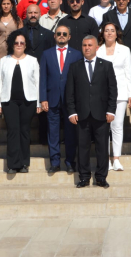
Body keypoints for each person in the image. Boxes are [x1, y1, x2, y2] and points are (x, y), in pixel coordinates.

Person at [65, 35, 118, 188]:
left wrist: (111, 110)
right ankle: (84, 177)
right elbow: (70, 92)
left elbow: (112, 90)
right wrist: (72, 112)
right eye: (84, 45)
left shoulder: (106, 65)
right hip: (81, 115)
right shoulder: (74, 67)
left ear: (96, 47)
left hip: (101, 114)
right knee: (82, 148)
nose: (87, 48)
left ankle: (101, 177)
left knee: (102, 147)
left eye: (90, 45)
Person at [0, 32, 41, 173]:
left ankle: (24, 163)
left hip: (29, 101)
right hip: (9, 102)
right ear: (12, 45)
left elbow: (38, 82)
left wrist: (38, 103)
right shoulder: (4, 60)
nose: (19, 45)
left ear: (26, 45)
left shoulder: (32, 60)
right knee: (13, 131)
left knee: (25, 132)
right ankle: (13, 164)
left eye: (22, 43)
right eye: (16, 43)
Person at [39, 25, 81, 173]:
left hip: (71, 101)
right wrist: (43, 98)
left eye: (64, 34)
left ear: (69, 36)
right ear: (54, 36)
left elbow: (79, 79)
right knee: (53, 132)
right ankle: (55, 162)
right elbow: (42, 78)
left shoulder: (76, 54)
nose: (61, 36)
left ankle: (70, 162)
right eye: (59, 34)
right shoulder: (46, 54)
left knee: (70, 132)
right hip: (52, 99)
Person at [96, 22, 131, 171]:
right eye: (107, 31)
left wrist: (130, 94)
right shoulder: (98, 50)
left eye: (112, 31)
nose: (110, 33)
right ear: (103, 33)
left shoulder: (124, 50)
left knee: (117, 125)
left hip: (120, 93)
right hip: (101, 94)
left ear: (117, 33)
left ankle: (116, 158)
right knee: (104, 127)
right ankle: (105, 159)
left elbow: (128, 73)